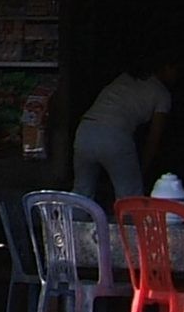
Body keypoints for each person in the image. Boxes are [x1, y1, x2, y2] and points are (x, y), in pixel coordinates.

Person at [72, 55, 178, 203]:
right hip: (114, 135)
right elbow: (154, 138)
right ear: (166, 68)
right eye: (175, 70)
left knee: (82, 192)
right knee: (129, 198)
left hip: (85, 131)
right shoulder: (162, 94)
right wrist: (143, 169)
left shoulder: (125, 78)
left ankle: (71, 224)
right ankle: (128, 226)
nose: (176, 75)